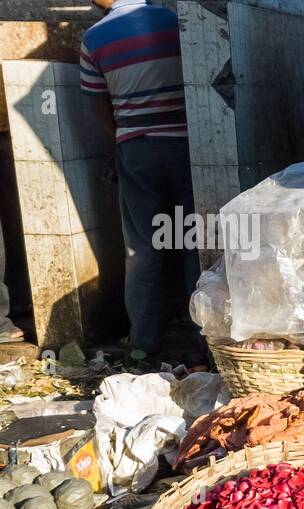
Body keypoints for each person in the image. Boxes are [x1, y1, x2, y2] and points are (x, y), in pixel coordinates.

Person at [80, 0, 201, 362]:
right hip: (188, 146)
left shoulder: (94, 36)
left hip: (136, 150)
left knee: (142, 249)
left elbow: (97, 100)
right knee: (192, 241)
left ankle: (142, 343)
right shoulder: (175, 23)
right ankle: (204, 339)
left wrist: (122, 134)